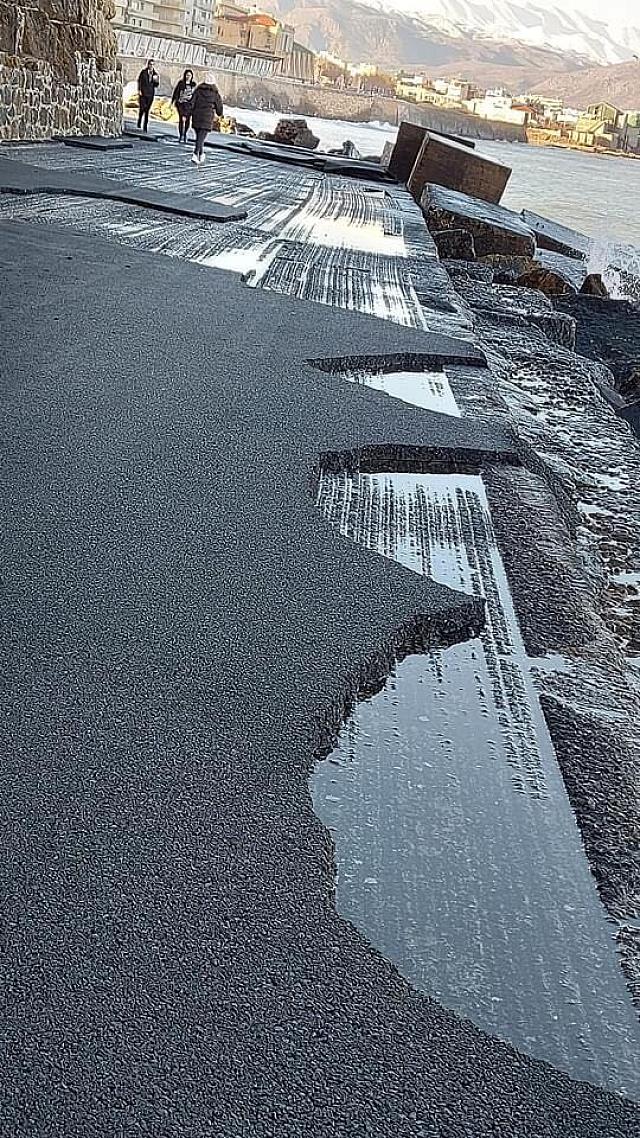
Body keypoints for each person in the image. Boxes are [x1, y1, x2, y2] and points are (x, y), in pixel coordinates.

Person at [190, 73, 223, 166]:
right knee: (201, 138)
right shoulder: (215, 94)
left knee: (199, 138)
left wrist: (189, 113)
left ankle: (201, 154)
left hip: (196, 116)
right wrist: (219, 113)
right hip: (207, 118)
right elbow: (219, 108)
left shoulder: (198, 90)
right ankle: (195, 154)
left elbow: (192, 102)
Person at [171, 69, 196, 143]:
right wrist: (173, 101)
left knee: (187, 120)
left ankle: (185, 133)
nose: (188, 77)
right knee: (181, 119)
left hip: (189, 105)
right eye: (187, 75)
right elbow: (176, 92)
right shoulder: (181, 83)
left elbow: (195, 95)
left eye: (190, 75)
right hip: (181, 104)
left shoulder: (193, 85)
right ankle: (181, 134)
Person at [137, 59, 159, 132]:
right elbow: (139, 81)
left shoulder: (155, 74)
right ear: (148, 64)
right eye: (150, 64)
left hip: (150, 94)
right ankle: (139, 120)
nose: (151, 66)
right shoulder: (143, 72)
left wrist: (155, 81)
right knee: (142, 108)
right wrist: (139, 90)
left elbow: (156, 85)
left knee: (147, 110)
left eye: (152, 64)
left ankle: (145, 126)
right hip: (143, 93)